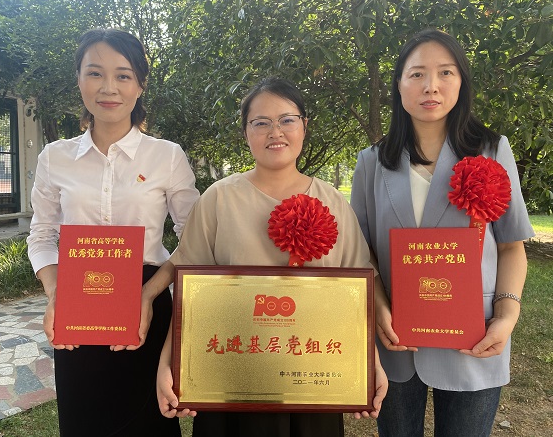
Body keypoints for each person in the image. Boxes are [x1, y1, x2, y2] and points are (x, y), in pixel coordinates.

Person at [149, 77, 388, 437]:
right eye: (260, 122)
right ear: (246, 133)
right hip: (230, 381)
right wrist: (168, 362)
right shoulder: (218, 200)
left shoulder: (334, 204)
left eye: (287, 120)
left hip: (311, 381)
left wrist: (371, 364)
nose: (275, 132)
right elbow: (191, 296)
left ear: (304, 126)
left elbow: (355, 299)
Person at [350, 29, 534, 437]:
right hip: (397, 339)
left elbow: (511, 246)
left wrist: (507, 316)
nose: (430, 86)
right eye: (416, 74)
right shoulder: (372, 162)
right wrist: (378, 307)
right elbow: (362, 252)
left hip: (474, 335)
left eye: (445, 72)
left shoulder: (492, 150)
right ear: (399, 85)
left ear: (461, 81)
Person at [26, 28, 199, 436]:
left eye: (123, 75)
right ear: (79, 80)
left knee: (148, 423)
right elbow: (42, 235)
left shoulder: (166, 156)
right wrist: (57, 295)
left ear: (140, 85)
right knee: (85, 421)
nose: (109, 87)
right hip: (76, 306)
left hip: (147, 303)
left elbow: (194, 240)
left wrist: (148, 294)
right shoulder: (55, 158)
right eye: (95, 73)